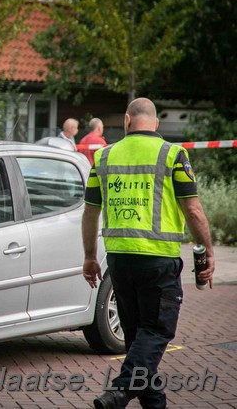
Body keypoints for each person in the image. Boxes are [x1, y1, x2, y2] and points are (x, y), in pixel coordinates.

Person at [82, 98, 215, 409]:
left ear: (127, 120)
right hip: (158, 261)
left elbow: (90, 213)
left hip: (118, 262)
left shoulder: (102, 157)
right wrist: (207, 249)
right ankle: (120, 392)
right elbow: (193, 210)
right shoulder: (173, 154)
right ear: (156, 124)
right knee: (156, 332)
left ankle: (154, 403)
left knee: (137, 339)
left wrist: (89, 256)